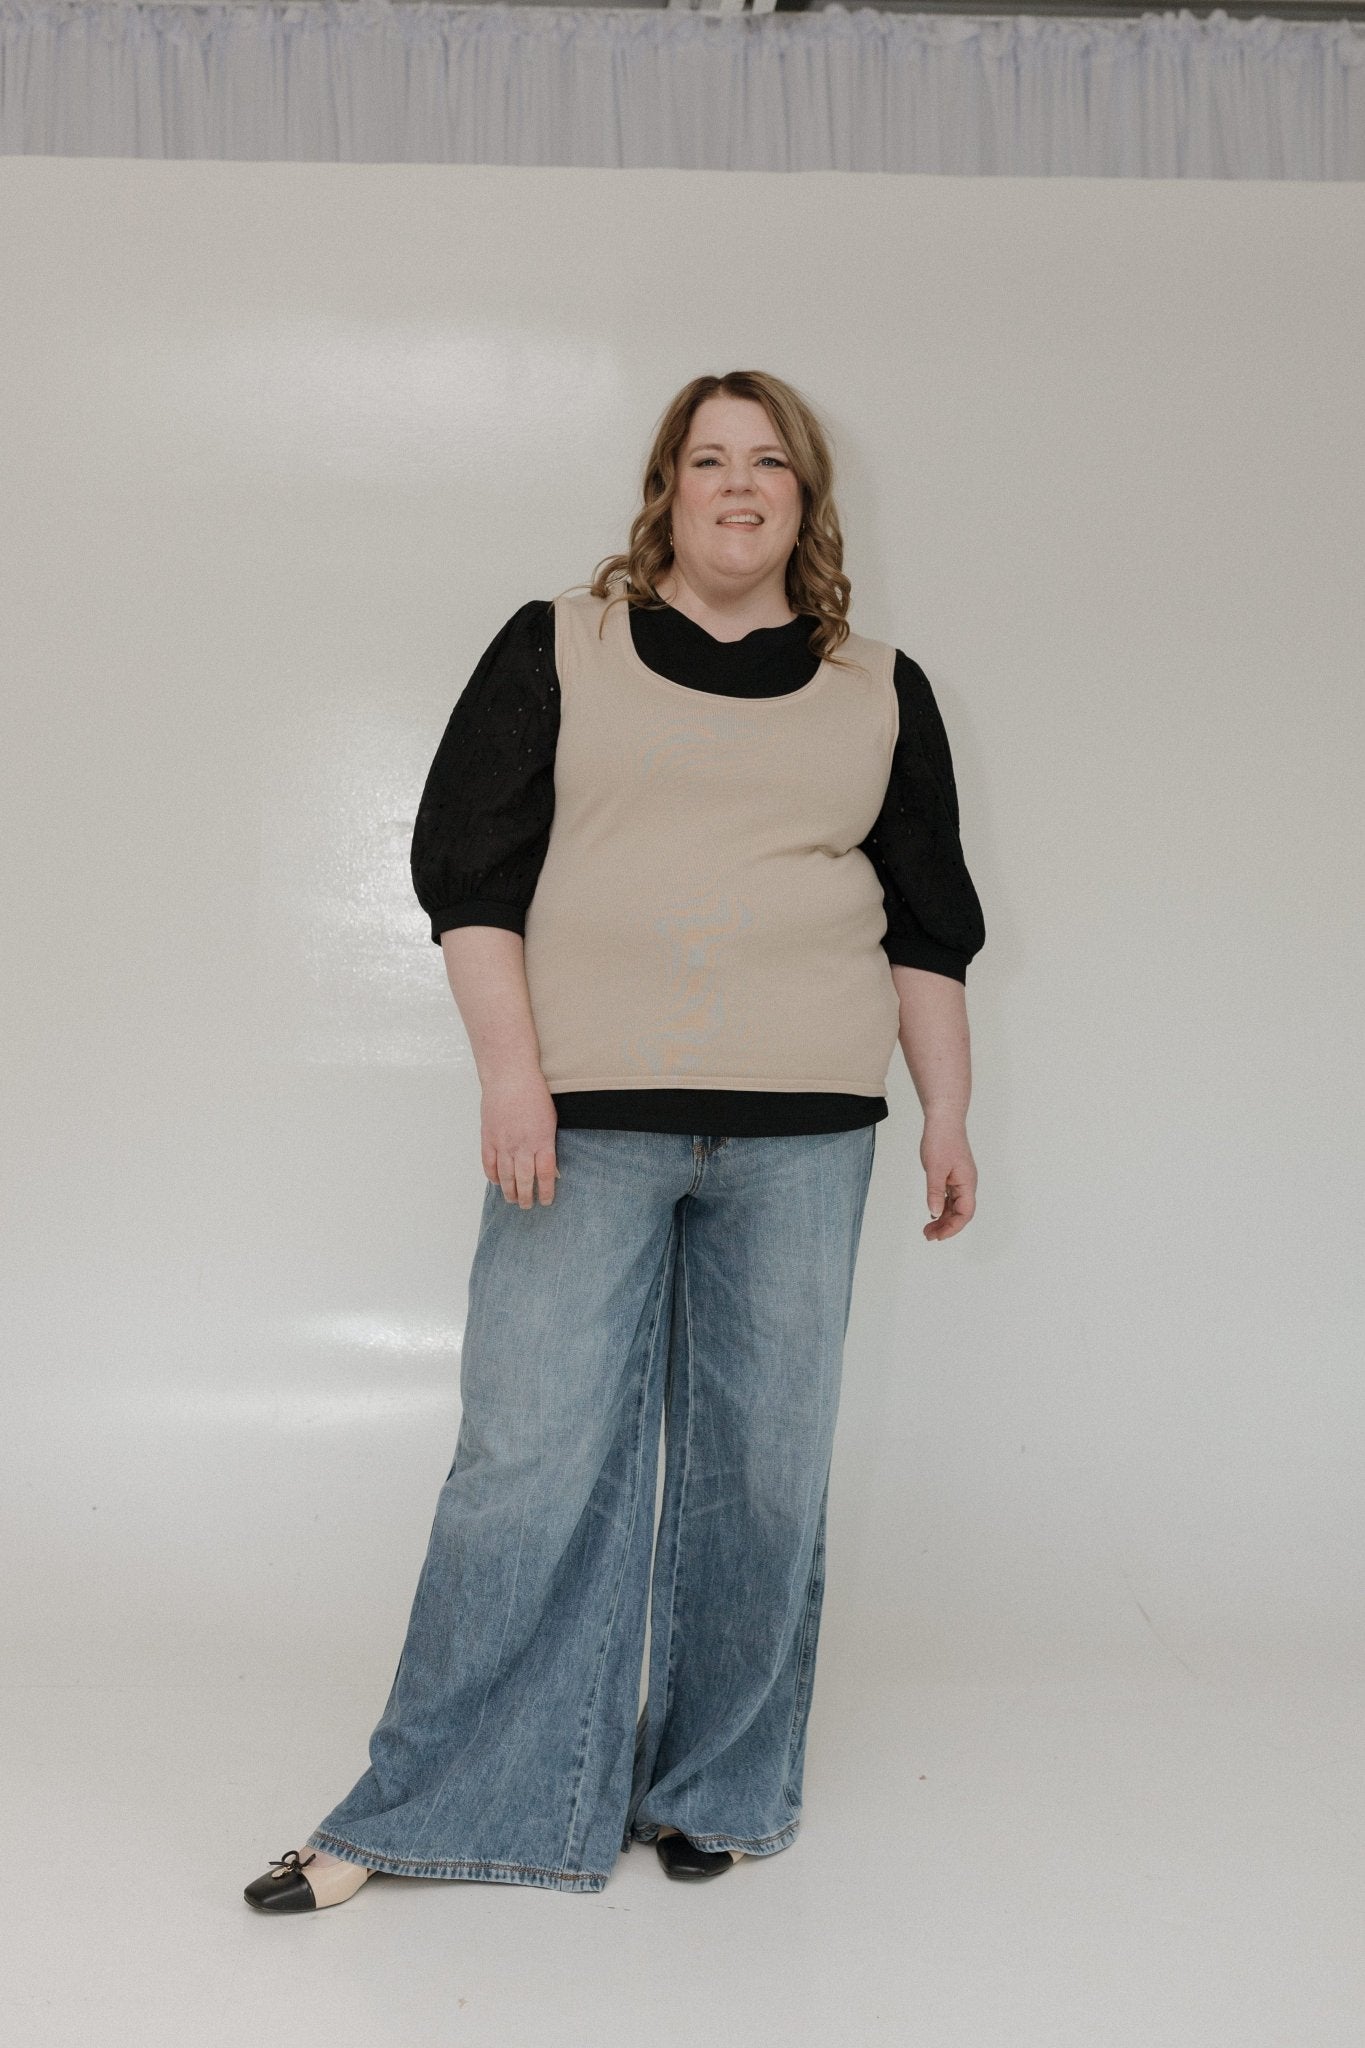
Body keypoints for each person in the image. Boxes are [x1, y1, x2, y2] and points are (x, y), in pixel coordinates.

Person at [244, 368, 985, 1913]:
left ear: (803, 498)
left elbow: (928, 925)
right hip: (585, 1125)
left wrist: (948, 1115)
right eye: (707, 459)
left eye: (766, 462)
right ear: (666, 490)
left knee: (760, 1473)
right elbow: (470, 881)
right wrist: (513, 1081)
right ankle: (432, 1806)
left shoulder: (877, 689)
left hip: (805, 1137)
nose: (737, 485)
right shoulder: (557, 648)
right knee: (526, 1459)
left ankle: (714, 1787)